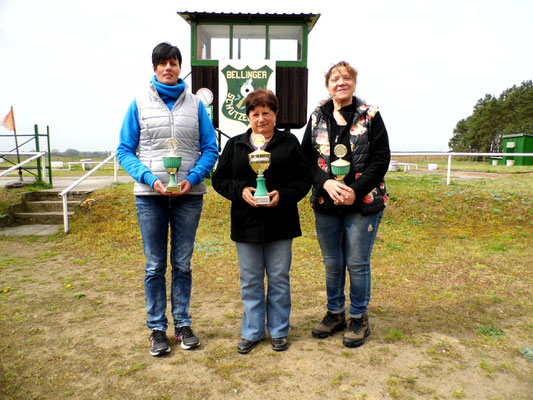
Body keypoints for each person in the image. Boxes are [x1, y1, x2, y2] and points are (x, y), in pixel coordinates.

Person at [116, 42, 218, 356]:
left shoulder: (196, 105)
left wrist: (192, 178)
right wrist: (150, 179)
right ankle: (157, 329)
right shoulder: (138, 103)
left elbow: (210, 150)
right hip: (150, 197)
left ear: (179, 66)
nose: (168, 68)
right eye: (163, 63)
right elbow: (124, 151)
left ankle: (183, 324)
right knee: (154, 266)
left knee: (183, 264)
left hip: (189, 195)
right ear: (155, 68)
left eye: (173, 62)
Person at [212, 89, 310, 354]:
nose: (261, 118)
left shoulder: (289, 143)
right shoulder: (235, 145)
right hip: (246, 224)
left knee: (279, 278)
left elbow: (303, 180)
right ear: (248, 117)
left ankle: (278, 331)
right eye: (255, 114)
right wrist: (240, 190)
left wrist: (284, 195)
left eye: (267, 112)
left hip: (281, 222)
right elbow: (219, 180)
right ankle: (253, 331)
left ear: (275, 114)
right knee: (250, 280)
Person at [301, 61, 390, 348]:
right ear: (328, 85)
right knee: (333, 263)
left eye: (347, 77)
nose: (341, 82)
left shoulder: (371, 116)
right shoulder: (316, 117)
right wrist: (325, 183)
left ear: (354, 83)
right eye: (335, 78)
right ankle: (335, 313)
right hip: (326, 203)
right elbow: (305, 159)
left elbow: (381, 159)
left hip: (361, 203)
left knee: (357, 262)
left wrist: (355, 190)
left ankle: (358, 317)